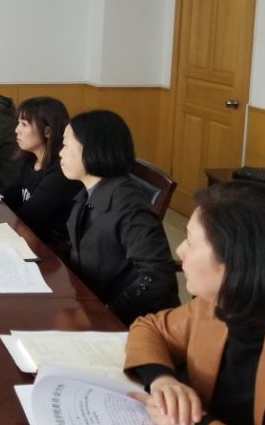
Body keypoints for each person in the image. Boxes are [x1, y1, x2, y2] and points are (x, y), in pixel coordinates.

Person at [124, 181, 265, 425]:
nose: (179, 250)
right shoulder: (215, 306)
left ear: (237, 262)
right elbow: (150, 327)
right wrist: (163, 380)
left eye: (191, 241)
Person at [59, 109, 179, 324]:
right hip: (90, 302)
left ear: (92, 149)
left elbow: (157, 277)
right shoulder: (89, 191)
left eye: (66, 145)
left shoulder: (129, 204)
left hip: (134, 323)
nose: (60, 153)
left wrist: (107, 313)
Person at [2, 96, 82, 250]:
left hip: (51, 247)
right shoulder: (30, 160)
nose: (17, 130)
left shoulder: (60, 173)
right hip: (28, 236)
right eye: (18, 123)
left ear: (47, 131)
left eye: (24, 124)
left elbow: (29, 217)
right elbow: (9, 199)